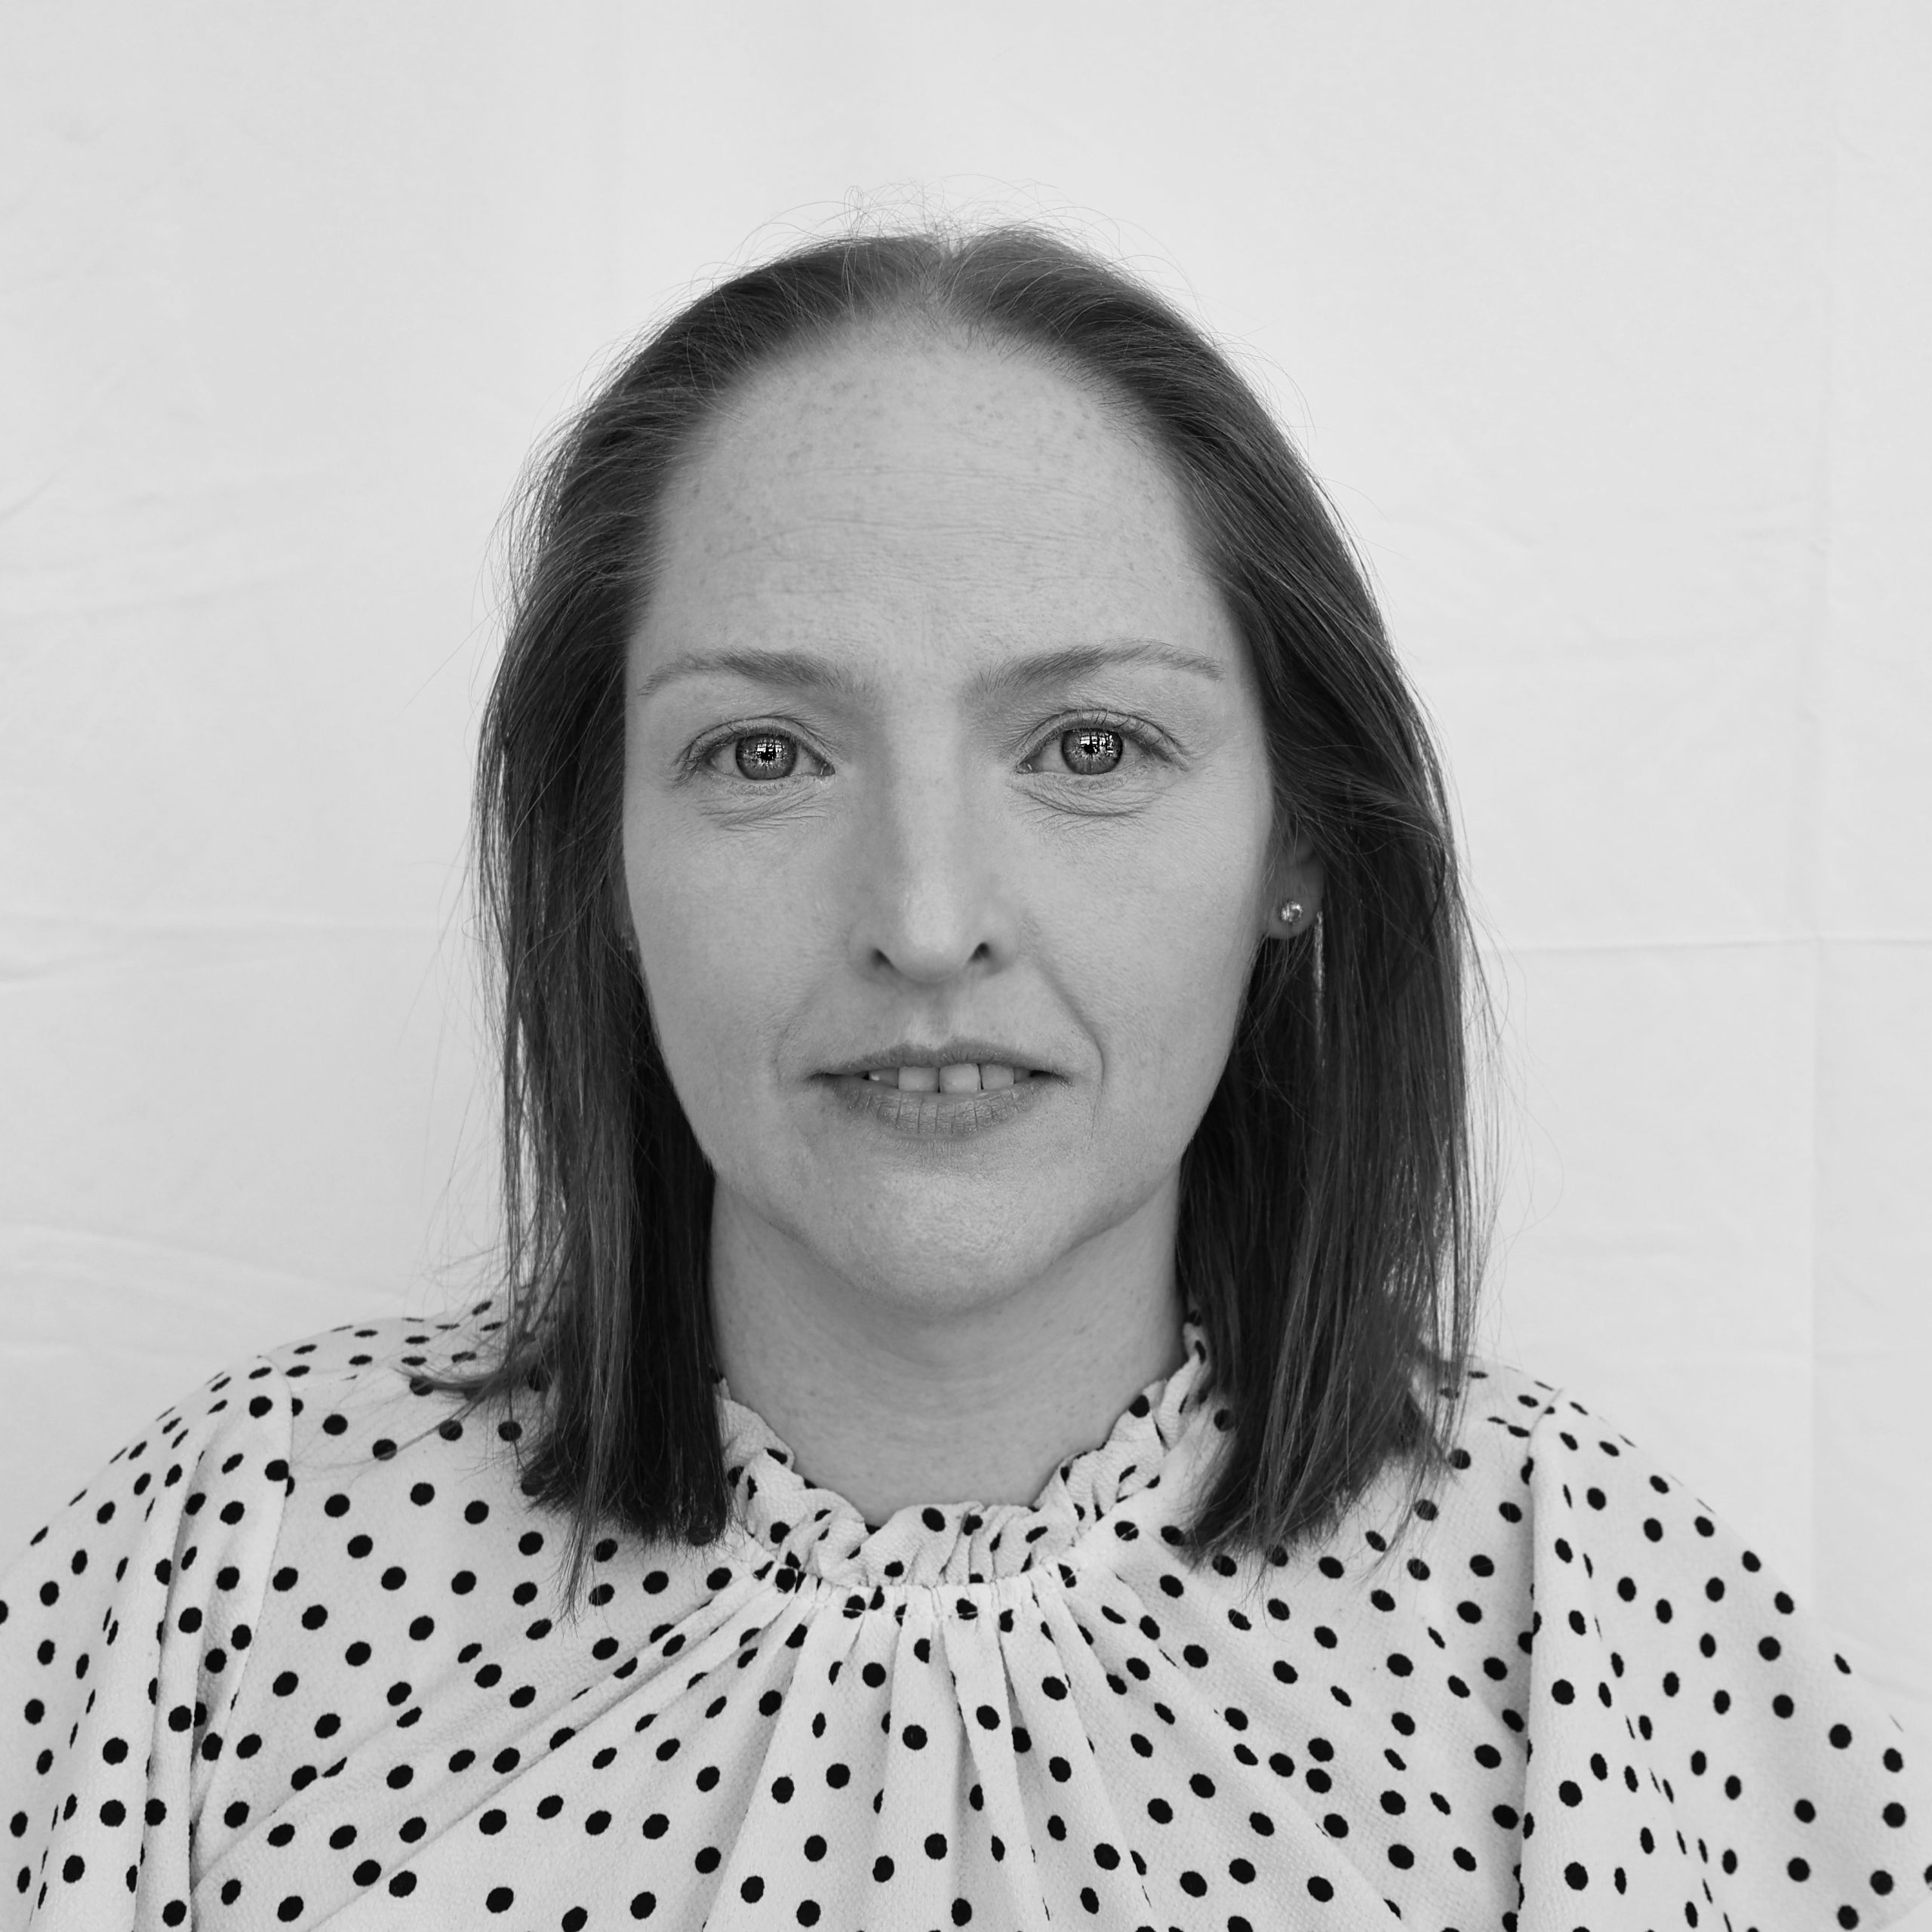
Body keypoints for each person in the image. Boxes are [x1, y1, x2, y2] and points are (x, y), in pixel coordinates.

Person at [3, 221, 1927, 1932]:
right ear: (596, 854)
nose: (925, 920)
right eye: (763, 753)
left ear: (1294, 846)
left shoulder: (1586, 1607)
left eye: (1088, 743)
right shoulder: (215, 1572)